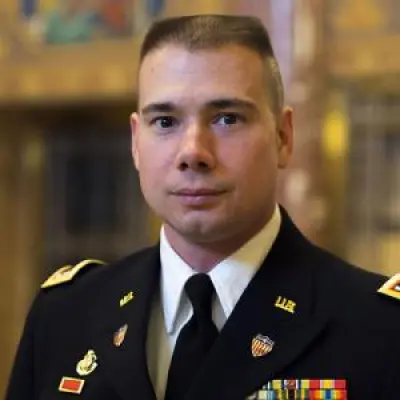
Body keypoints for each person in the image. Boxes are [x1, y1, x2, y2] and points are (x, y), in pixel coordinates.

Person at [6, 14, 400, 400]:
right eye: (165, 122)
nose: (193, 152)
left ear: (283, 136)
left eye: (227, 119)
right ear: (135, 142)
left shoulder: (380, 328)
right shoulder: (66, 315)